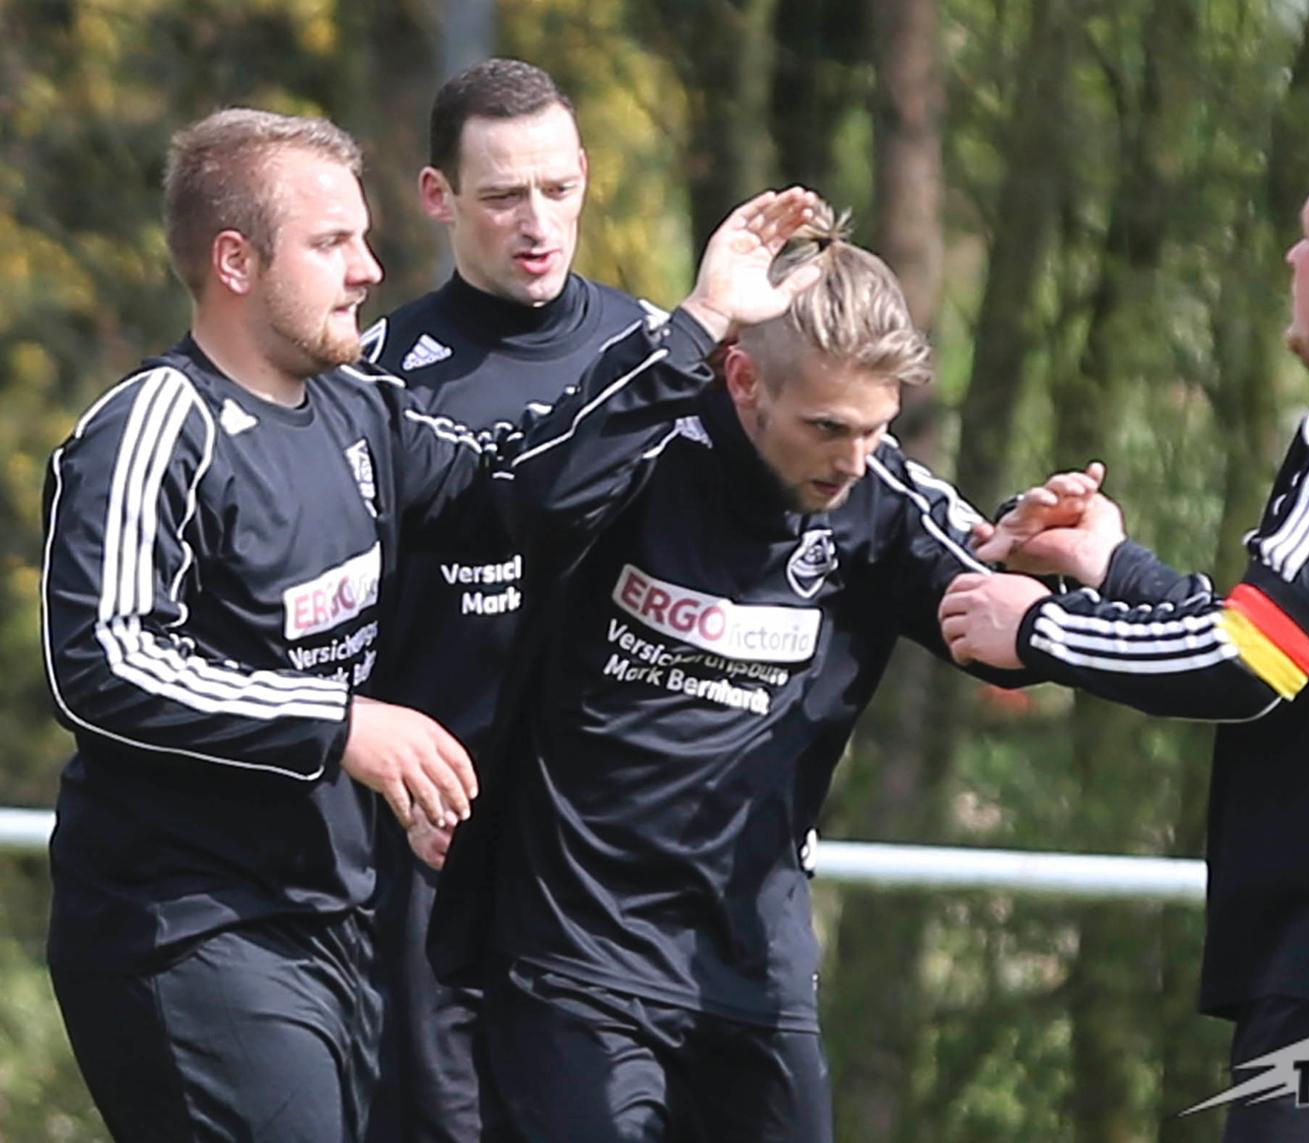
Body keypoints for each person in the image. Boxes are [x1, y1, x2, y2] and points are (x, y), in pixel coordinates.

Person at [40, 101, 819, 1142]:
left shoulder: (361, 409)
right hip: (186, 927)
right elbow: (106, 662)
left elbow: (523, 491)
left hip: (333, 923)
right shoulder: (153, 427)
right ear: (234, 262)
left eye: (362, 239)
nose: (368, 269)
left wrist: (697, 325)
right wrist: (344, 724)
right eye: (331, 244)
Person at [939, 125, 1309, 1142]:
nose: (1291, 256)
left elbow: (1249, 663)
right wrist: (1110, 567)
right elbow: (1289, 649)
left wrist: (1039, 629)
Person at [421, 204, 1058, 1142]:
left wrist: (1059, 566)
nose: (853, 460)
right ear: (744, 379)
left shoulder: (879, 496)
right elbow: (525, 501)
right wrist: (693, 325)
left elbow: (996, 622)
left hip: (755, 969)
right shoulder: (642, 443)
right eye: (827, 426)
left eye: (877, 430)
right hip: (574, 957)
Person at [360, 58, 653, 1143]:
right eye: (502, 196)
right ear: (437, 197)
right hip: (433, 846)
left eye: (558, 189)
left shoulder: (659, 357)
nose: (537, 224)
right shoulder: (374, 375)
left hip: (607, 854)